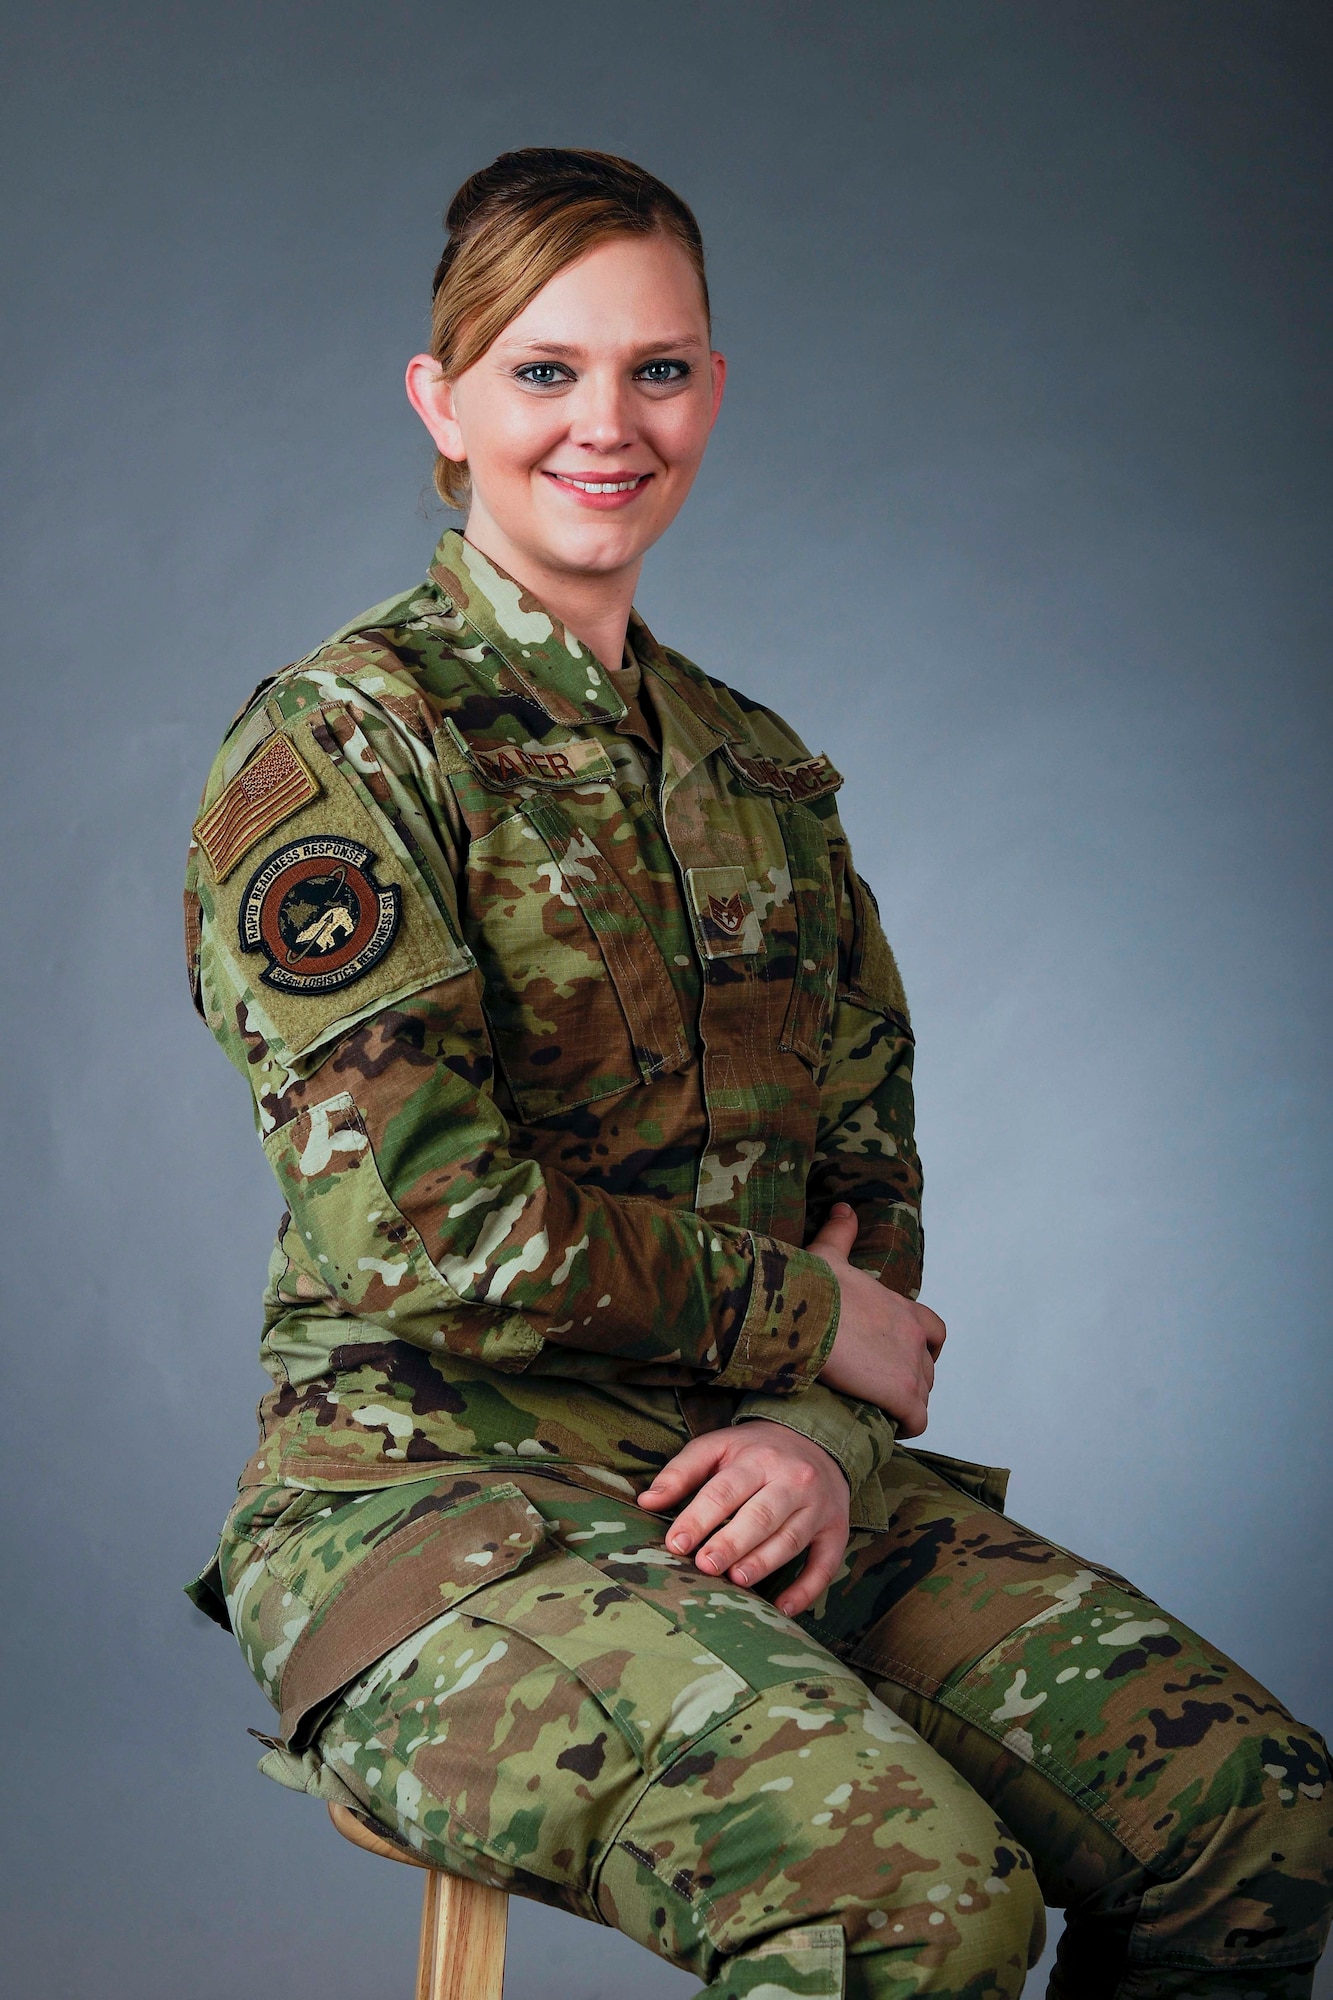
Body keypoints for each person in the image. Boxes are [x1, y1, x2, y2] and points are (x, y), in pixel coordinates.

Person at [184, 148, 1330, 1999]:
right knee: (915, 1911)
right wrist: (804, 1321)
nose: (608, 425)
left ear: (712, 387)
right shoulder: (341, 753)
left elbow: (869, 1194)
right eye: (545, 371)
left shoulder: (759, 775)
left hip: (761, 1480)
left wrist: (816, 1427)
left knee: (1256, 1827)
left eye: (660, 368)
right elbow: (416, 1224)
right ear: (443, 399)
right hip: (434, 1514)